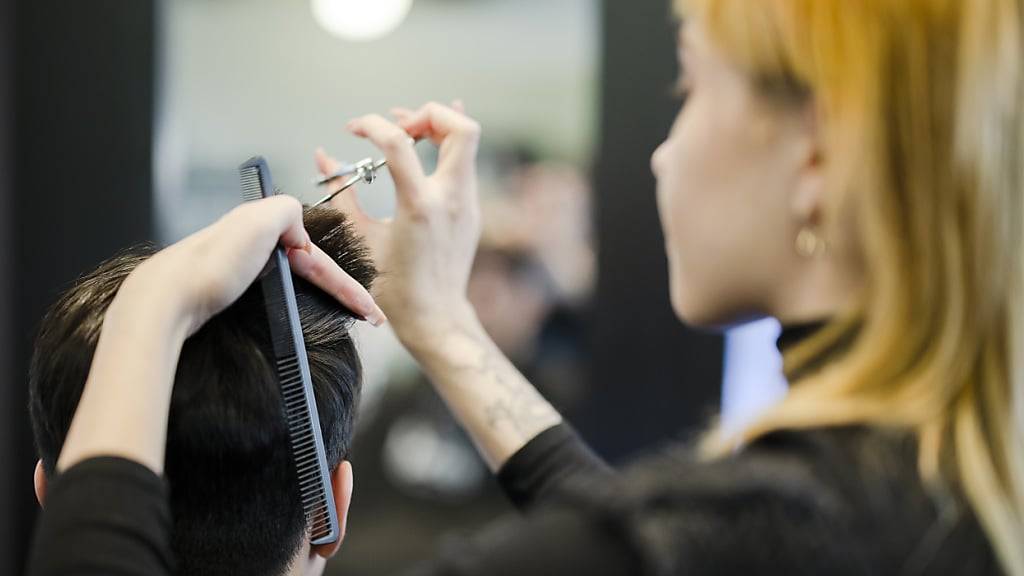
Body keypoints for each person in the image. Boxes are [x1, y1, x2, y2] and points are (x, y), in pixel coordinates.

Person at [26, 0, 1024, 574]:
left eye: (688, 87)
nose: (664, 155)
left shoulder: (803, 524)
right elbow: (651, 547)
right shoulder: (915, 498)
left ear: (815, 146)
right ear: (330, 506)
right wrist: (441, 324)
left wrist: (155, 308)